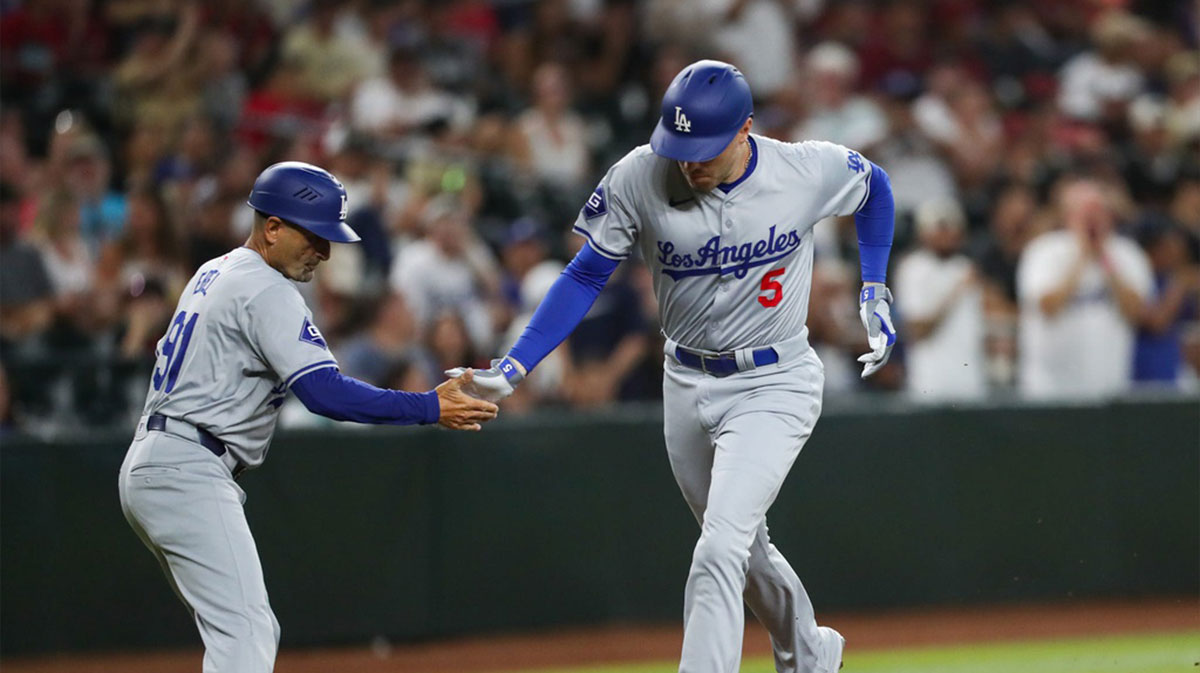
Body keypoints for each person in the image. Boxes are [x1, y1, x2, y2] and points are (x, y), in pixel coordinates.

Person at [449, 60, 897, 673]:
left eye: (704, 147)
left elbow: (876, 187)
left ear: (745, 129)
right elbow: (585, 273)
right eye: (678, 145)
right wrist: (513, 366)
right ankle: (812, 653)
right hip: (684, 381)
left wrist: (874, 286)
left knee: (718, 549)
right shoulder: (639, 175)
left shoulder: (803, 168)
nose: (689, 161)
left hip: (775, 380)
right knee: (746, 549)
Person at [117, 162, 498, 673]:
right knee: (247, 634)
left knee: (235, 631)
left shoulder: (216, 270)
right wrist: (428, 406)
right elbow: (324, 394)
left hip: (158, 459)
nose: (324, 251)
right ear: (272, 227)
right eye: (314, 235)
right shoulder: (266, 288)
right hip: (187, 466)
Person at [1016, 178, 1153, 399]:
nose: (1093, 220)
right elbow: (1048, 307)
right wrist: (1081, 257)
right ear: (1068, 215)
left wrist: (1105, 260)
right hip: (1050, 389)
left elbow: (1135, 311)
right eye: (1086, 213)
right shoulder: (1044, 252)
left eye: (1099, 211)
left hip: (1108, 387)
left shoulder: (1127, 253)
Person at [895, 198, 987, 401]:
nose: (948, 234)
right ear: (923, 232)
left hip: (970, 384)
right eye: (941, 227)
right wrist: (954, 294)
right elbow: (917, 330)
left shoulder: (964, 266)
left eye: (952, 227)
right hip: (930, 385)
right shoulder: (914, 268)